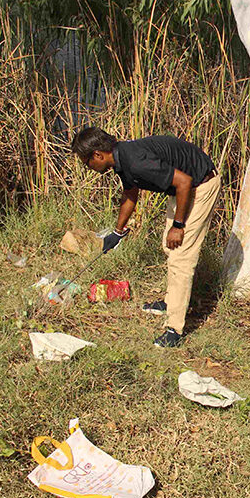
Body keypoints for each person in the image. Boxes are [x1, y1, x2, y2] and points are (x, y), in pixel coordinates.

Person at [70, 127, 220, 348]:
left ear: (98, 155)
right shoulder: (121, 158)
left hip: (199, 185)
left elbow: (185, 181)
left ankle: (174, 329)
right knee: (169, 247)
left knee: (181, 257)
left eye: (87, 162)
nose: (88, 168)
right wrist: (117, 233)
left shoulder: (135, 161)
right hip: (183, 188)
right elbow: (130, 194)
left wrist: (178, 226)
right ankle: (171, 302)